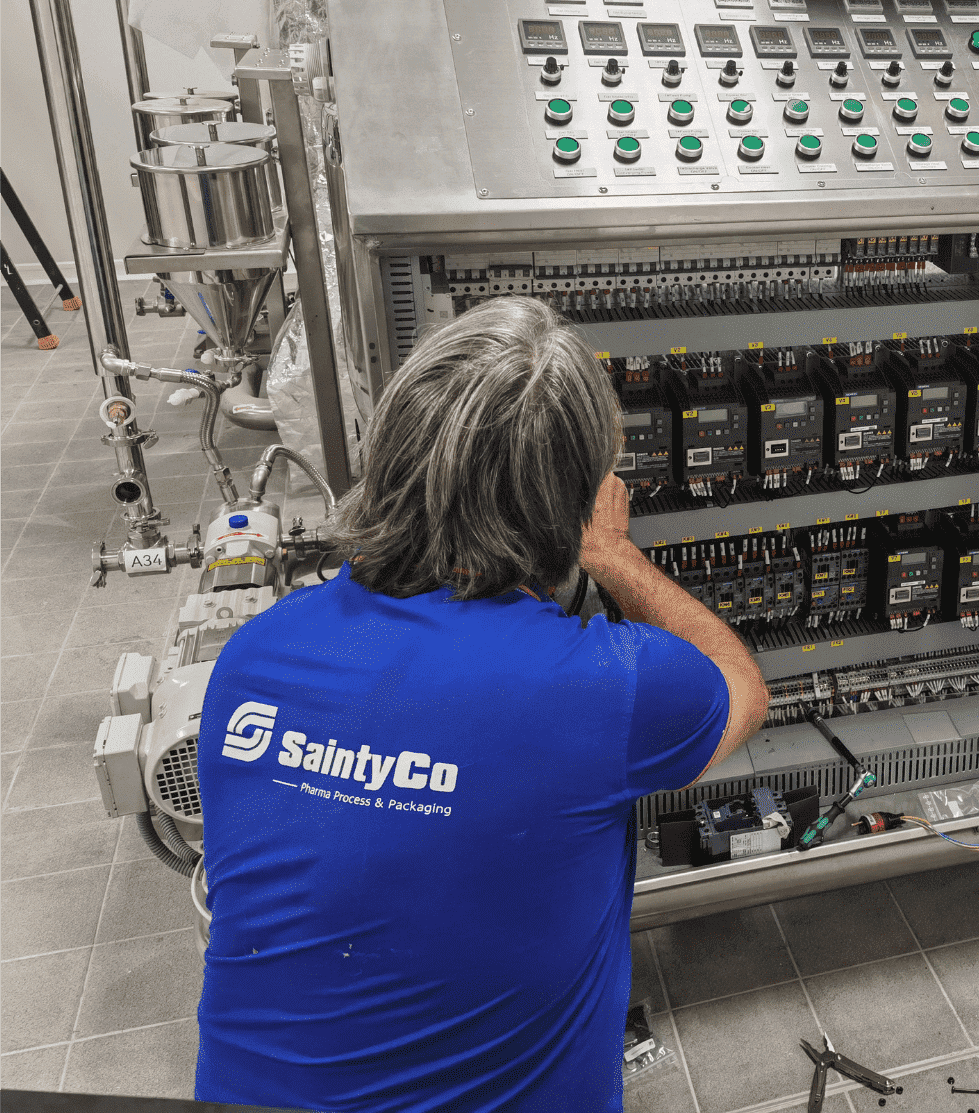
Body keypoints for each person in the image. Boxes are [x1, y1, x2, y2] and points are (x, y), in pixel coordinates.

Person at [194, 298, 769, 1112]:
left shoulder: (255, 654)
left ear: (391, 454)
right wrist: (609, 555)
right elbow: (742, 688)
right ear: (574, 497)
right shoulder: (606, 686)